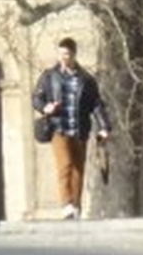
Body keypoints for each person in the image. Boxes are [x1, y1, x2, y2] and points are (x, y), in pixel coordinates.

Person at [34, 37, 111, 220]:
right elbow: (37, 98)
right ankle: (66, 204)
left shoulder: (86, 79)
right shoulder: (49, 76)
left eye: (67, 54)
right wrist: (46, 108)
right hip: (58, 127)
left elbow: (96, 104)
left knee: (78, 168)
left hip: (79, 128)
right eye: (60, 53)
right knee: (65, 164)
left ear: (74, 54)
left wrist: (104, 127)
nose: (63, 57)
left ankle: (75, 207)